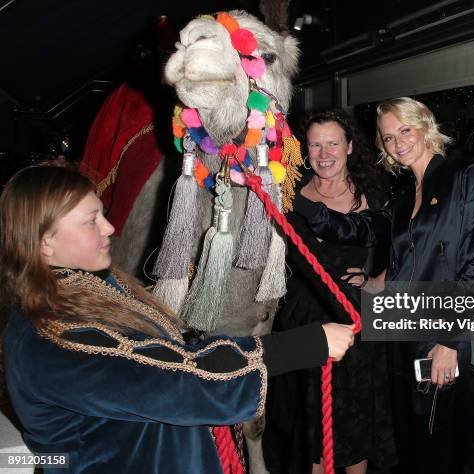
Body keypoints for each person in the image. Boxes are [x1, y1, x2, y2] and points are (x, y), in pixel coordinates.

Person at [0, 162, 356, 474]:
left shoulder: (91, 289)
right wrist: (307, 345)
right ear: (44, 243)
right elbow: (179, 381)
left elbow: (163, 353)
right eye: (91, 220)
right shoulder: (51, 334)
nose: (109, 228)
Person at [293, 98, 474, 474]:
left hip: (440, 337)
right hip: (399, 338)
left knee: (439, 445)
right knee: (409, 445)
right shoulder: (402, 196)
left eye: (405, 130)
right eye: (388, 137)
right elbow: (357, 228)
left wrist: (450, 343)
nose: (397, 143)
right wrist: (291, 201)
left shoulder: (463, 176)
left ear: (425, 126)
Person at [263, 110, 396, 474]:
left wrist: (372, 283)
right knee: (311, 431)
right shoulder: (288, 190)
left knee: (354, 426)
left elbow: (400, 254)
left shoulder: (371, 196)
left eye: (333, 143)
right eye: (315, 144)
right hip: (302, 323)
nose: (324, 153)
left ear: (350, 146)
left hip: (352, 326)